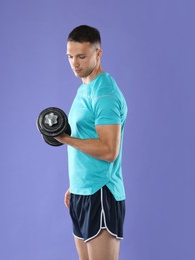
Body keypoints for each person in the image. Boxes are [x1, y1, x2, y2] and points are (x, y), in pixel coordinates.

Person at [54, 25, 128, 260]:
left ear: (98, 54)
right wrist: (75, 184)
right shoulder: (84, 88)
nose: (75, 63)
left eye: (82, 57)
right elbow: (86, 137)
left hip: (101, 194)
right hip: (82, 192)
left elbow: (109, 150)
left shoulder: (104, 93)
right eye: (70, 57)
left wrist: (65, 139)